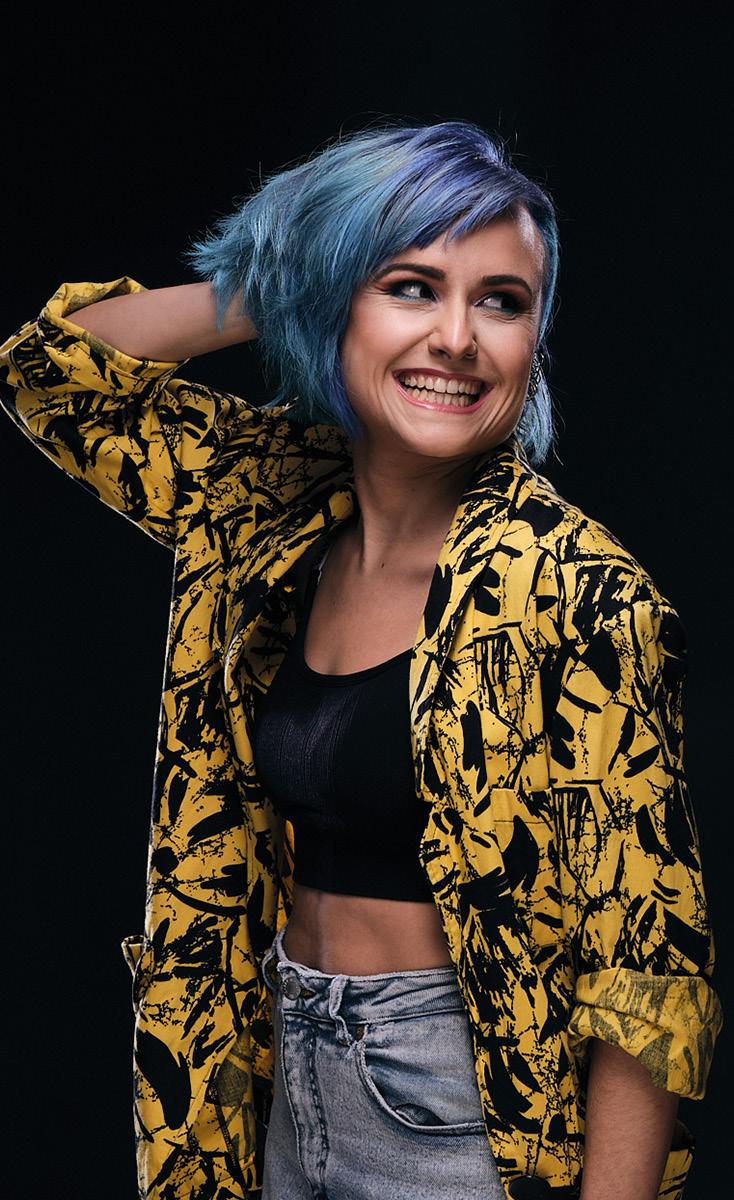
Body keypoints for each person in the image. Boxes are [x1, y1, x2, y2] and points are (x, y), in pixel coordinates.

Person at [0, 120, 723, 1200]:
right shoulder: (265, 507)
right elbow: (53, 375)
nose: (456, 338)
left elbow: (645, 970)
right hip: (268, 1074)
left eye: (501, 301)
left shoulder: (577, 590)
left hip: (454, 1106)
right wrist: (293, 279)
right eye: (409, 287)